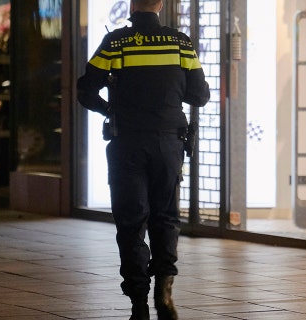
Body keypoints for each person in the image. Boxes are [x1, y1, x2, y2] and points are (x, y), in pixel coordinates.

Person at [76, 0, 210, 319]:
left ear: (133, 5)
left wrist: (109, 108)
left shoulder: (116, 42)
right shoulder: (180, 43)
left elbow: (85, 90)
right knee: (165, 217)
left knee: (131, 220)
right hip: (168, 142)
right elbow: (200, 96)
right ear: (160, 5)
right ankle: (164, 293)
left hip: (128, 142)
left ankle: (138, 301)